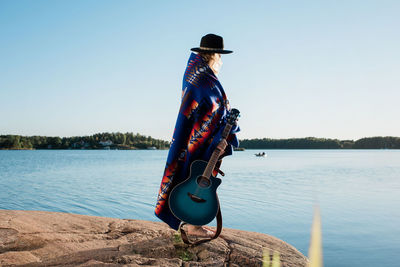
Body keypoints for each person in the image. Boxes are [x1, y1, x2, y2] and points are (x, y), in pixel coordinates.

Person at [154, 33, 240, 237]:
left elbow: (208, 105)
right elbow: (209, 106)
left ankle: (190, 224)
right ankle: (192, 226)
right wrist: (221, 129)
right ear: (214, 55)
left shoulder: (196, 71)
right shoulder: (202, 77)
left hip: (199, 135)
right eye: (219, 56)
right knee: (193, 177)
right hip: (201, 138)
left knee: (192, 177)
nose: (221, 60)